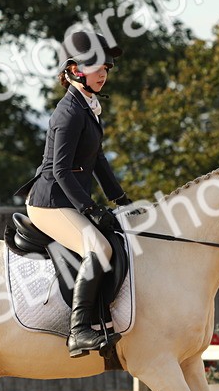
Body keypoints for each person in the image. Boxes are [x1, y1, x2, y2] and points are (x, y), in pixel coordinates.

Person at [16, 30, 133, 357]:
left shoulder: (88, 108)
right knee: (98, 247)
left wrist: (120, 198)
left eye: (106, 68)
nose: (103, 73)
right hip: (50, 200)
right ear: (74, 69)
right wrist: (89, 207)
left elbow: (96, 158)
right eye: (97, 67)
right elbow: (61, 171)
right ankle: (79, 330)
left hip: (67, 198)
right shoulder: (69, 112)